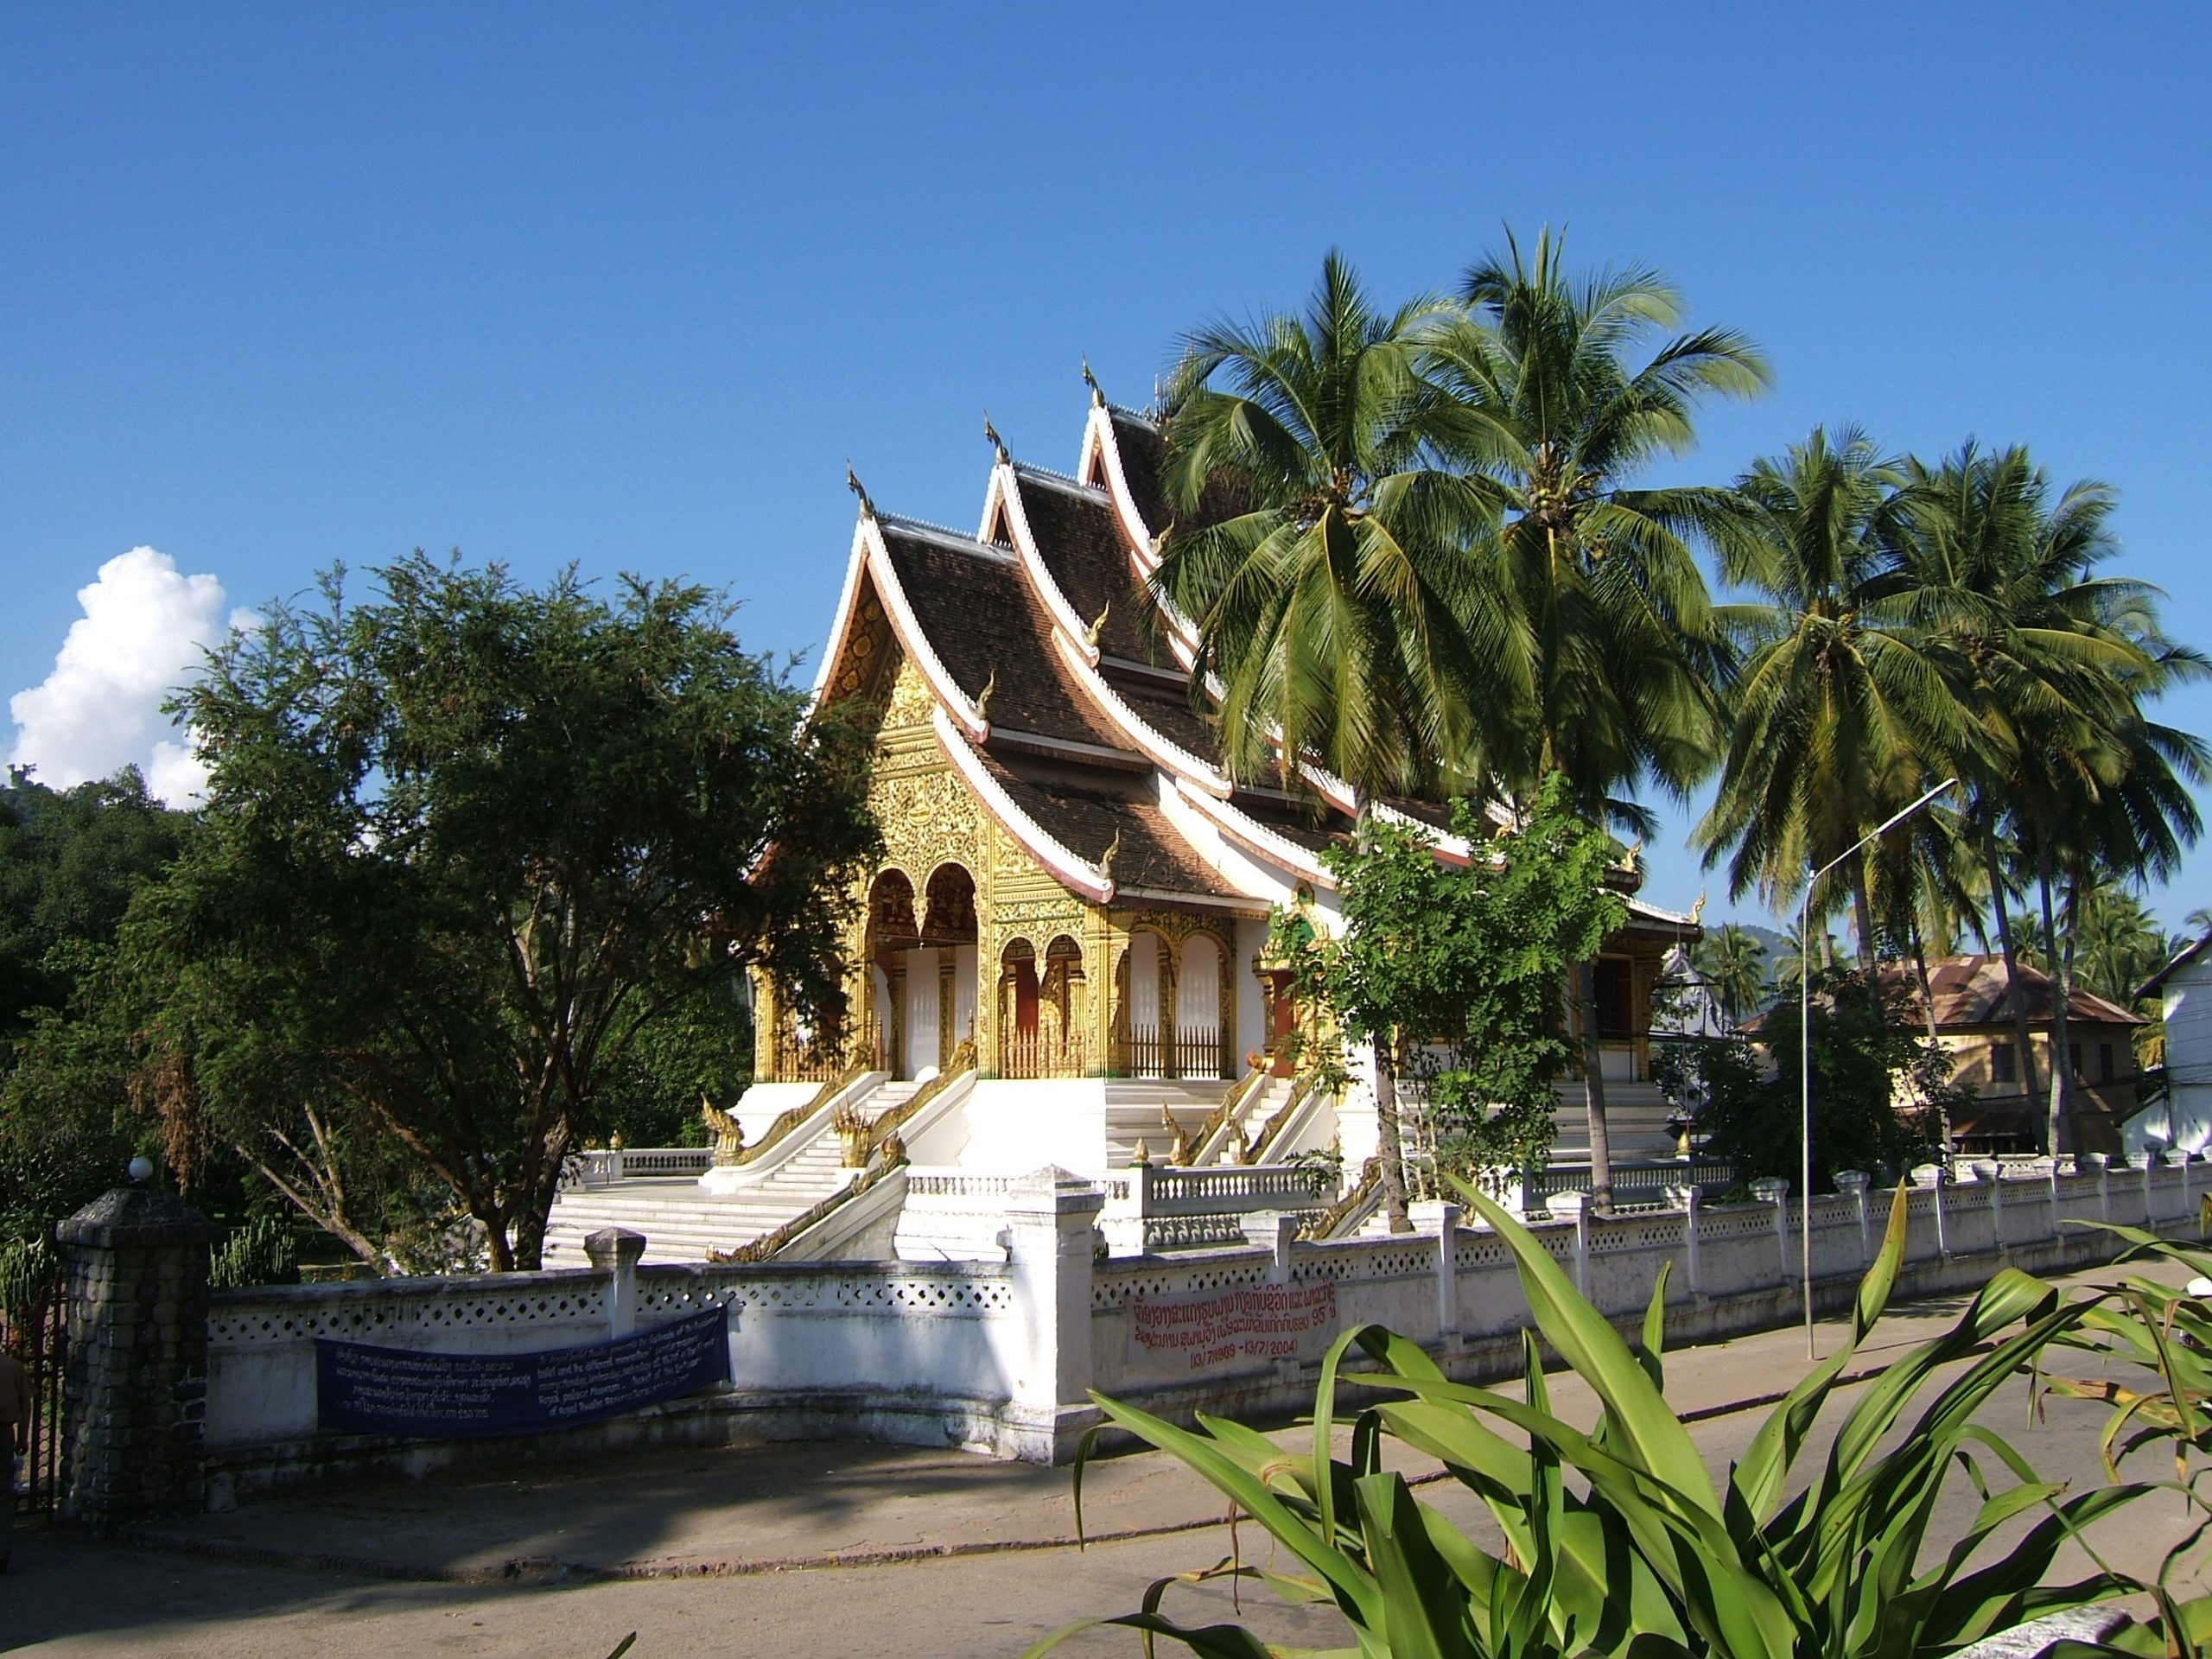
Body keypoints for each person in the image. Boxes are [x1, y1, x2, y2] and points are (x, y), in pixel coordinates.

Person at [0, 1324, 29, 1573]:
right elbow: (25, 1404)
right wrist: (23, 1438)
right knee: (3, 1495)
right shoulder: (13, 1367)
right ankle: (2, 1551)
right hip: (4, 1434)